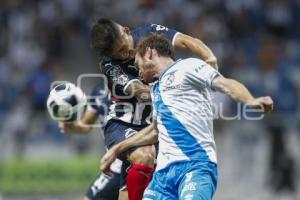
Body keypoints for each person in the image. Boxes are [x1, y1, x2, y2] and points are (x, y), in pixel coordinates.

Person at [100, 34, 274, 200]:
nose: (138, 72)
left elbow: (225, 83)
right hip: (163, 176)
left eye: (138, 65)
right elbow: (155, 130)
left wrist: (250, 100)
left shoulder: (189, 66)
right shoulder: (155, 89)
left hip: (195, 166)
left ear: (149, 53)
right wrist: (117, 149)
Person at [89, 18, 219, 200]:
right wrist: (176, 92)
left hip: (156, 125)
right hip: (124, 124)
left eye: (123, 47)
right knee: (145, 155)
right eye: (118, 53)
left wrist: (209, 58)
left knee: (136, 186)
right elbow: (140, 91)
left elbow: (187, 41)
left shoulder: (150, 33)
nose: (125, 54)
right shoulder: (109, 65)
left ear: (126, 31)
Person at [59, 83, 123, 200]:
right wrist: (70, 125)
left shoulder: (134, 90)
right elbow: (86, 125)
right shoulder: (99, 92)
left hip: (133, 162)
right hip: (115, 166)